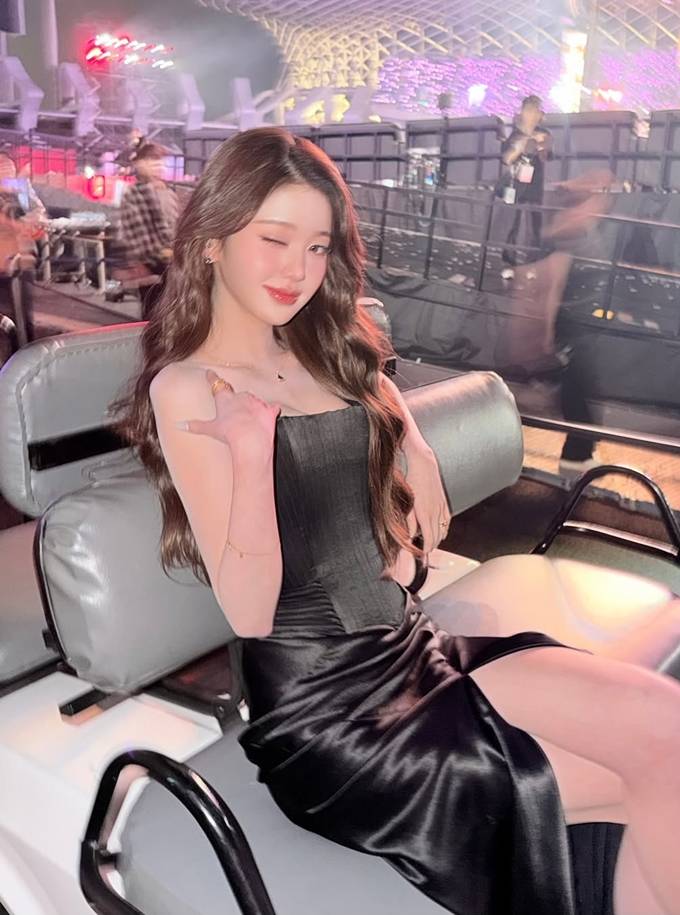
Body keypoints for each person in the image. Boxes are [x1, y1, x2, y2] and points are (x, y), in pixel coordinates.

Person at [116, 128, 680, 915]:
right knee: (651, 776)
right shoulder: (190, 387)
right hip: (329, 715)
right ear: (212, 240)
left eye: (318, 246)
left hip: (411, 645)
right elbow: (247, 610)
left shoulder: (317, 347)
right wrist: (250, 452)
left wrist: (412, 439)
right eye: (274, 239)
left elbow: (373, 392)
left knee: (668, 734)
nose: (297, 269)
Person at [118, 142, 179, 318]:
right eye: (152, 162)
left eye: (160, 163)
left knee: (169, 313)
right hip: (151, 263)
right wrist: (160, 254)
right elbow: (135, 232)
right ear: (141, 164)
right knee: (153, 313)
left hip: (170, 261)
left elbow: (175, 224)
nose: (158, 167)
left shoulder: (168, 192)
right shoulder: (134, 194)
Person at [500, 95, 553, 269]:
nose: (532, 115)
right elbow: (506, 159)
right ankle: (508, 262)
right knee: (511, 223)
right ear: (522, 112)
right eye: (529, 111)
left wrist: (541, 144)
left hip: (534, 185)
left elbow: (546, 157)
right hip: (514, 186)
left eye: (536, 111)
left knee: (534, 226)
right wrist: (521, 146)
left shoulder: (544, 133)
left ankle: (532, 263)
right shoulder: (514, 135)